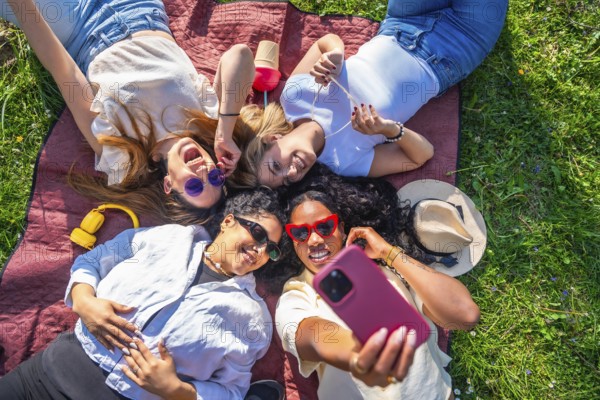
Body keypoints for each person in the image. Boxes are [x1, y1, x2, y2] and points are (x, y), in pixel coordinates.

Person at [0, 188, 295, 399]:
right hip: (46, 376)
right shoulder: (165, 237)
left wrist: (177, 391)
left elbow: (232, 391)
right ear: (229, 221)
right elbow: (93, 260)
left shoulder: (252, 319)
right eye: (257, 233)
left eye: (270, 249)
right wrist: (83, 301)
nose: (259, 250)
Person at [1, 0, 255, 222]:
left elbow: (64, 72)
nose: (203, 172)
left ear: (169, 185)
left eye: (194, 186)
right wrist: (225, 130)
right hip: (141, 8)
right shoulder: (208, 120)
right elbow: (240, 55)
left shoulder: (122, 157)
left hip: (78, 27)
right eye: (214, 178)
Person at [234, 0, 508, 188]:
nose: (292, 172)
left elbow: (323, 44)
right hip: (454, 48)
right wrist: (391, 130)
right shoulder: (345, 162)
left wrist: (336, 54)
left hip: (402, 22)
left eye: (276, 167)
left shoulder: (293, 98)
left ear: (273, 140)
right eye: (288, 181)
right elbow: (421, 156)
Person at [275, 169, 483, 399]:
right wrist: (356, 353)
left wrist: (388, 252)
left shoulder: (388, 268)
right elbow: (310, 334)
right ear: (293, 241)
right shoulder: (297, 293)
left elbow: (465, 315)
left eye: (325, 227)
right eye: (300, 233)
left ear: (342, 229)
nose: (314, 240)